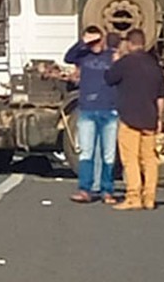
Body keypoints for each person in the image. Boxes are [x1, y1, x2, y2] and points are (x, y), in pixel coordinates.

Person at [105, 29, 164, 210]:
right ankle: (149, 198)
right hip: (149, 117)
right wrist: (158, 118)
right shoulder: (154, 66)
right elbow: (161, 97)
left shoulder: (125, 63)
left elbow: (109, 78)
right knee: (149, 159)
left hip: (130, 117)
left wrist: (115, 62)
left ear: (131, 44)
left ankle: (133, 197)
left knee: (130, 158)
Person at [65, 25, 118, 204]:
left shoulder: (111, 55)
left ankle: (107, 190)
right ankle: (85, 189)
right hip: (87, 109)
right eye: (91, 41)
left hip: (109, 109)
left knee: (109, 153)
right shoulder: (83, 55)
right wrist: (83, 42)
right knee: (86, 152)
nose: (94, 45)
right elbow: (68, 57)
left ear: (103, 38)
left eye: (97, 40)